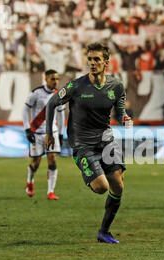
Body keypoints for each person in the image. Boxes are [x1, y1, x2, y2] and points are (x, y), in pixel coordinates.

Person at [45, 42, 131, 244]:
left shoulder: (116, 86)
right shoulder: (76, 86)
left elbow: (119, 113)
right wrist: (49, 132)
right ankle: (90, 170)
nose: (92, 63)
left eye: (97, 59)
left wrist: (125, 117)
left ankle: (104, 231)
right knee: (101, 187)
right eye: (90, 59)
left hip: (106, 141)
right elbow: (52, 102)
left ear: (106, 62)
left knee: (118, 186)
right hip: (82, 143)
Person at [22, 69, 65, 200]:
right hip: (37, 133)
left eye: (57, 79)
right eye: (52, 79)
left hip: (52, 133)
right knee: (36, 163)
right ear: (45, 79)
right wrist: (27, 129)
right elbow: (25, 109)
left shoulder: (59, 95)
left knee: (52, 161)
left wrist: (61, 134)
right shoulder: (36, 93)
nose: (55, 81)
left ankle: (50, 192)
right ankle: (30, 182)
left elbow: (61, 116)